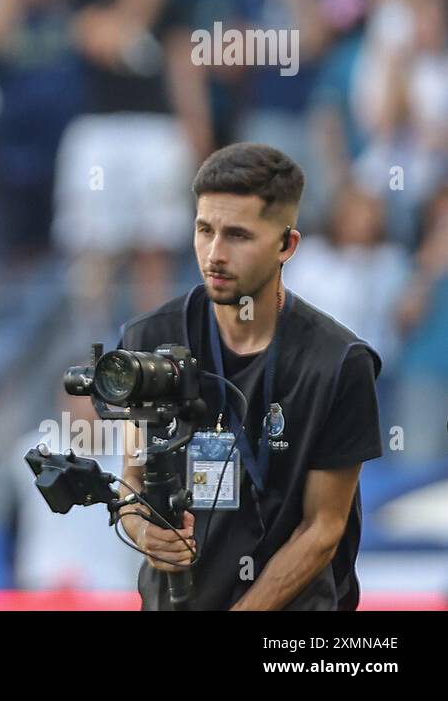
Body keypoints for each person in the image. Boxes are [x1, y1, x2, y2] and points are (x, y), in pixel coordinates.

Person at [116, 143, 383, 610]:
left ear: (286, 245)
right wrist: (142, 529)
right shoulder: (147, 338)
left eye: (237, 235)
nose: (214, 254)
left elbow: (322, 528)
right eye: (204, 230)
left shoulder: (338, 362)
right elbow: (132, 481)